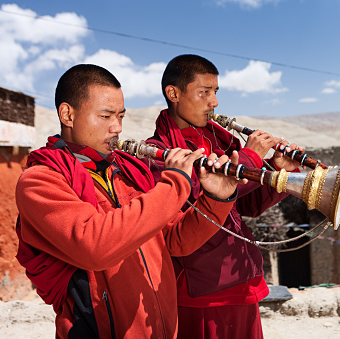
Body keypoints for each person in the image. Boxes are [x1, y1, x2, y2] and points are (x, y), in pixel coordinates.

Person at [15, 64, 245, 338]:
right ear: (67, 114)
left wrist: (216, 198)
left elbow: (176, 240)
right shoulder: (40, 180)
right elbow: (96, 246)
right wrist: (174, 183)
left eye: (121, 116)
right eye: (106, 116)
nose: (117, 128)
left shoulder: (126, 169)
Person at [145, 54, 303, 338]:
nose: (214, 102)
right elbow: (198, 199)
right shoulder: (158, 153)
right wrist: (250, 157)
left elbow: (247, 205)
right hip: (202, 288)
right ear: (174, 94)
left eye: (215, 92)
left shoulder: (216, 140)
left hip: (241, 277)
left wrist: (277, 172)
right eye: (204, 92)